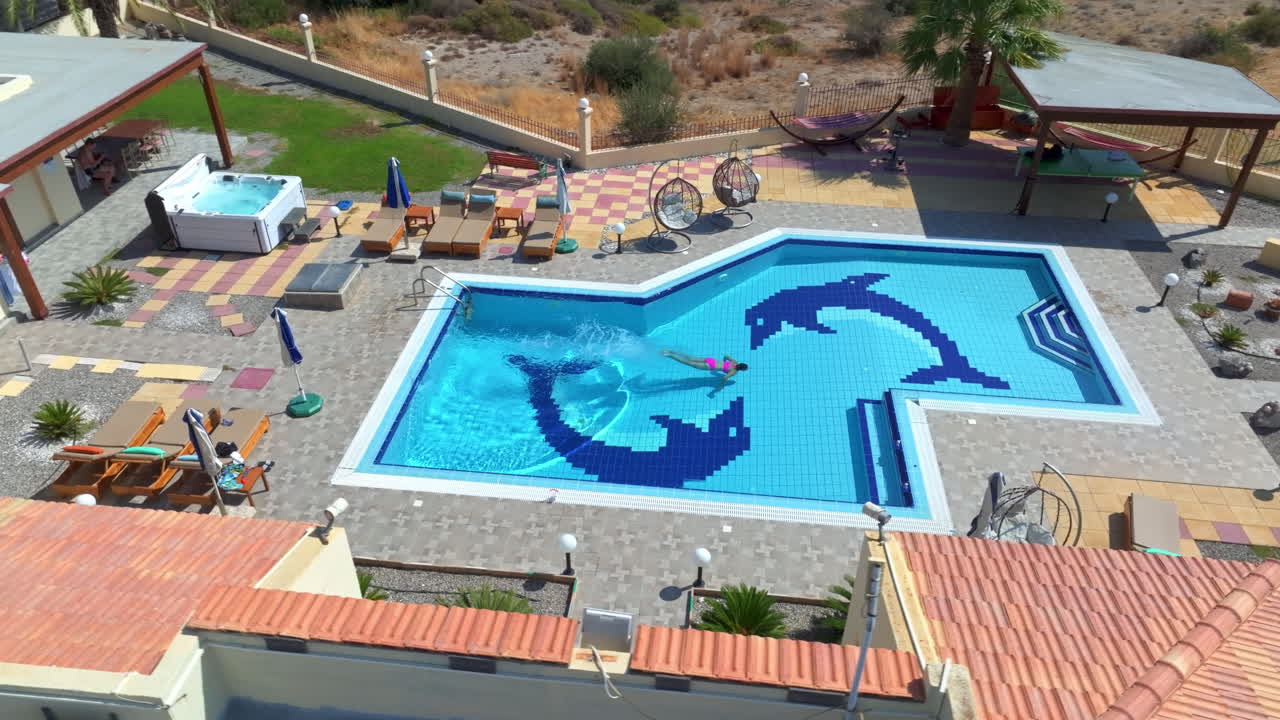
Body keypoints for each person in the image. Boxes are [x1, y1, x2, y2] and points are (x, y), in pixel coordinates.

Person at [661, 350, 747, 392]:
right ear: (741, 370)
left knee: (689, 357)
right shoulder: (734, 371)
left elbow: (726, 356)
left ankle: (671, 351)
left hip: (711, 360)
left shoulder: (735, 362)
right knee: (687, 363)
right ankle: (670, 356)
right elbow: (725, 378)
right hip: (709, 366)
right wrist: (720, 386)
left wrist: (724, 365)